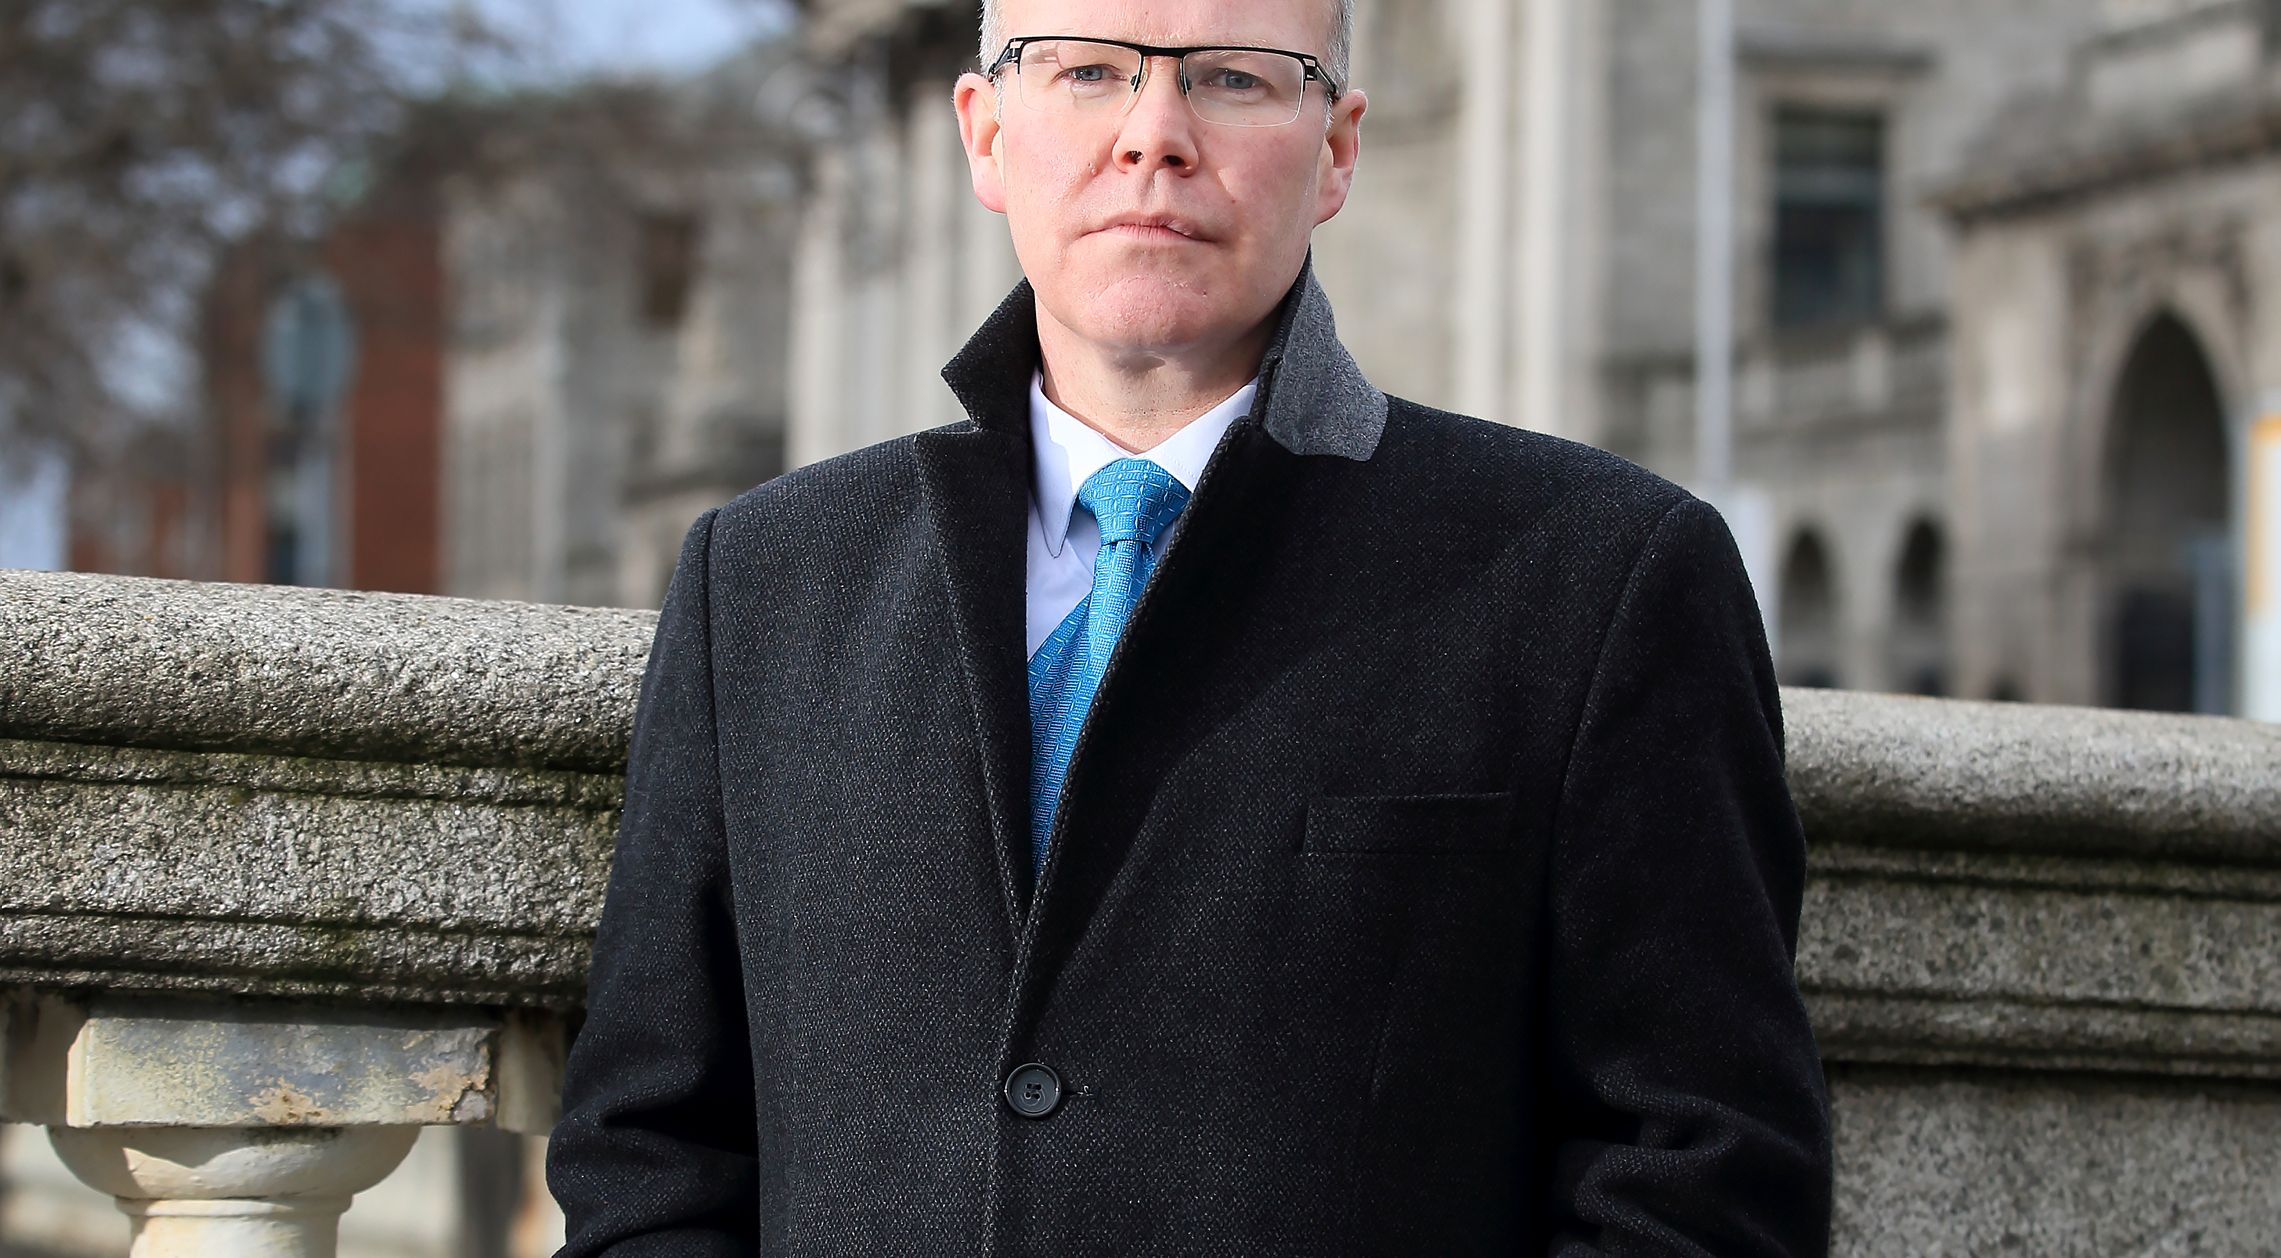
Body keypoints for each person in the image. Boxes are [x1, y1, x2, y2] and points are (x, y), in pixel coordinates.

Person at [546, 0, 1835, 1252]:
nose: (1153, 133)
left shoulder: (1599, 572)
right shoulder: (760, 576)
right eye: (1086, 70)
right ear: (985, 131)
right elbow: (647, 1149)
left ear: (1335, 150)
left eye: (1234, 76)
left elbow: (1704, 1169)